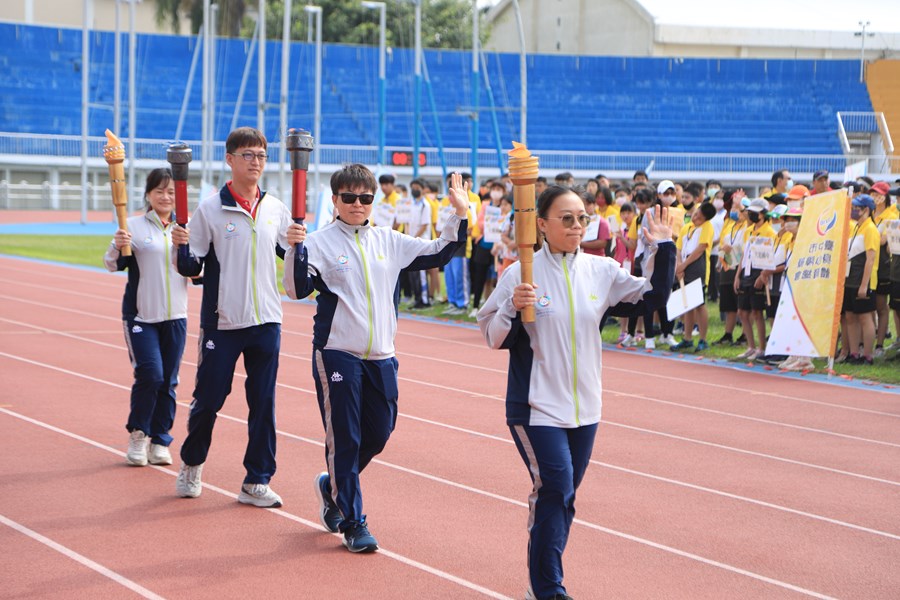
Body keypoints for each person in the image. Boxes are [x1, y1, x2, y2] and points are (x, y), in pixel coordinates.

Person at [477, 185, 675, 600]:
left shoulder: (601, 271)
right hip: (535, 407)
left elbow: (653, 297)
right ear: (542, 225)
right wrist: (513, 306)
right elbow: (493, 337)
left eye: (582, 217)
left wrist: (665, 247)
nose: (577, 225)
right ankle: (548, 587)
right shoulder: (521, 273)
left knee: (564, 496)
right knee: (556, 488)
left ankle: (543, 575)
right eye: (566, 218)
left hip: (586, 408)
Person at [283, 166, 469, 553]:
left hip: (382, 355)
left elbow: (441, 252)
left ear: (374, 201)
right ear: (335, 200)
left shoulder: (389, 240)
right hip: (338, 352)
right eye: (348, 197)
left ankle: (331, 485)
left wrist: (459, 214)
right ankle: (353, 522)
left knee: (379, 434)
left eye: (365, 198)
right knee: (347, 439)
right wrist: (295, 250)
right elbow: (297, 289)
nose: (357, 204)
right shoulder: (318, 242)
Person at [170, 127, 290, 508]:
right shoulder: (210, 208)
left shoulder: (275, 208)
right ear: (230, 159)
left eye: (261, 156)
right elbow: (191, 265)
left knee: (263, 402)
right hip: (223, 323)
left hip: (267, 320)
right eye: (248, 155)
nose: (255, 162)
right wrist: (181, 245)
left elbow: (295, 256)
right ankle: (192, 463)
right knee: (209, 398)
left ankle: (257, 479)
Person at [104, 168, 189, 467]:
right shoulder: (134, 226)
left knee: (169, 380)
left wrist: (187, 248)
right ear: (149, 195)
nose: (165, 197)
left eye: (170, 192)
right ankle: (139, 433)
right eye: (159, 192)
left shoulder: (184, 228)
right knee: (150, 374)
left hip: (176, 316)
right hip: (141, 316)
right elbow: (112, 264)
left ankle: (160, 439)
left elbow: (198, 271)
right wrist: (117, 243)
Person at [734, 198, 777, 360]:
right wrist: (738, 275)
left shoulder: (770, 232)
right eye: (750, 212)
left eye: (755, 212)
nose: (751, 215)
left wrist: (763, 274)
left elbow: (770, 257)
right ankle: (750, 346)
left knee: (757, 312)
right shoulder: (748, 231)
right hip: (746, 272)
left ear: (763, 214)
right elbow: (744, 255)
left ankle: (761, 348)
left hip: (758, 273)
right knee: (742, 312)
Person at [671, 201, 717, 351]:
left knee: (699, 304)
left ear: (705, 219)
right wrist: (679, 265)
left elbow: (700, 248)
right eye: (695, 214)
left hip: (698, 267)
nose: (695, 218)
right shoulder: (687, 227)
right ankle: (687, 337)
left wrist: (684, 265)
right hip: (683, 265)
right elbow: (678, 247)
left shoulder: (707, 227)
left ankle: (703, 339)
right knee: (687, 304)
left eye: (699, 217)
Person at [841, 194, 880, 365]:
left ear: (866, 210)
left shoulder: (871, 229)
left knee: (865, 317)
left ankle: (868, 355)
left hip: (863, 281)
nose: (854, 210)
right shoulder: (856, 227)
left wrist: (864, 285)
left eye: (857, 208)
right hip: (850, 279)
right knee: (850, 316)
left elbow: (870, 259)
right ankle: (854, 353)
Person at [715, 191, 748, 345]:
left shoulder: (748, 225)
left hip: (741, 265)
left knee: (741, 303)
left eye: (737, 209)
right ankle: (728, 334)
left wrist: (740, 203)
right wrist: (721, 258)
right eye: (732, 209)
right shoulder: (728, 224)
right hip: (727, 264)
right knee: (728, 304)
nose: (734, 212)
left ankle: (745, 335)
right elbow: (722, 243)